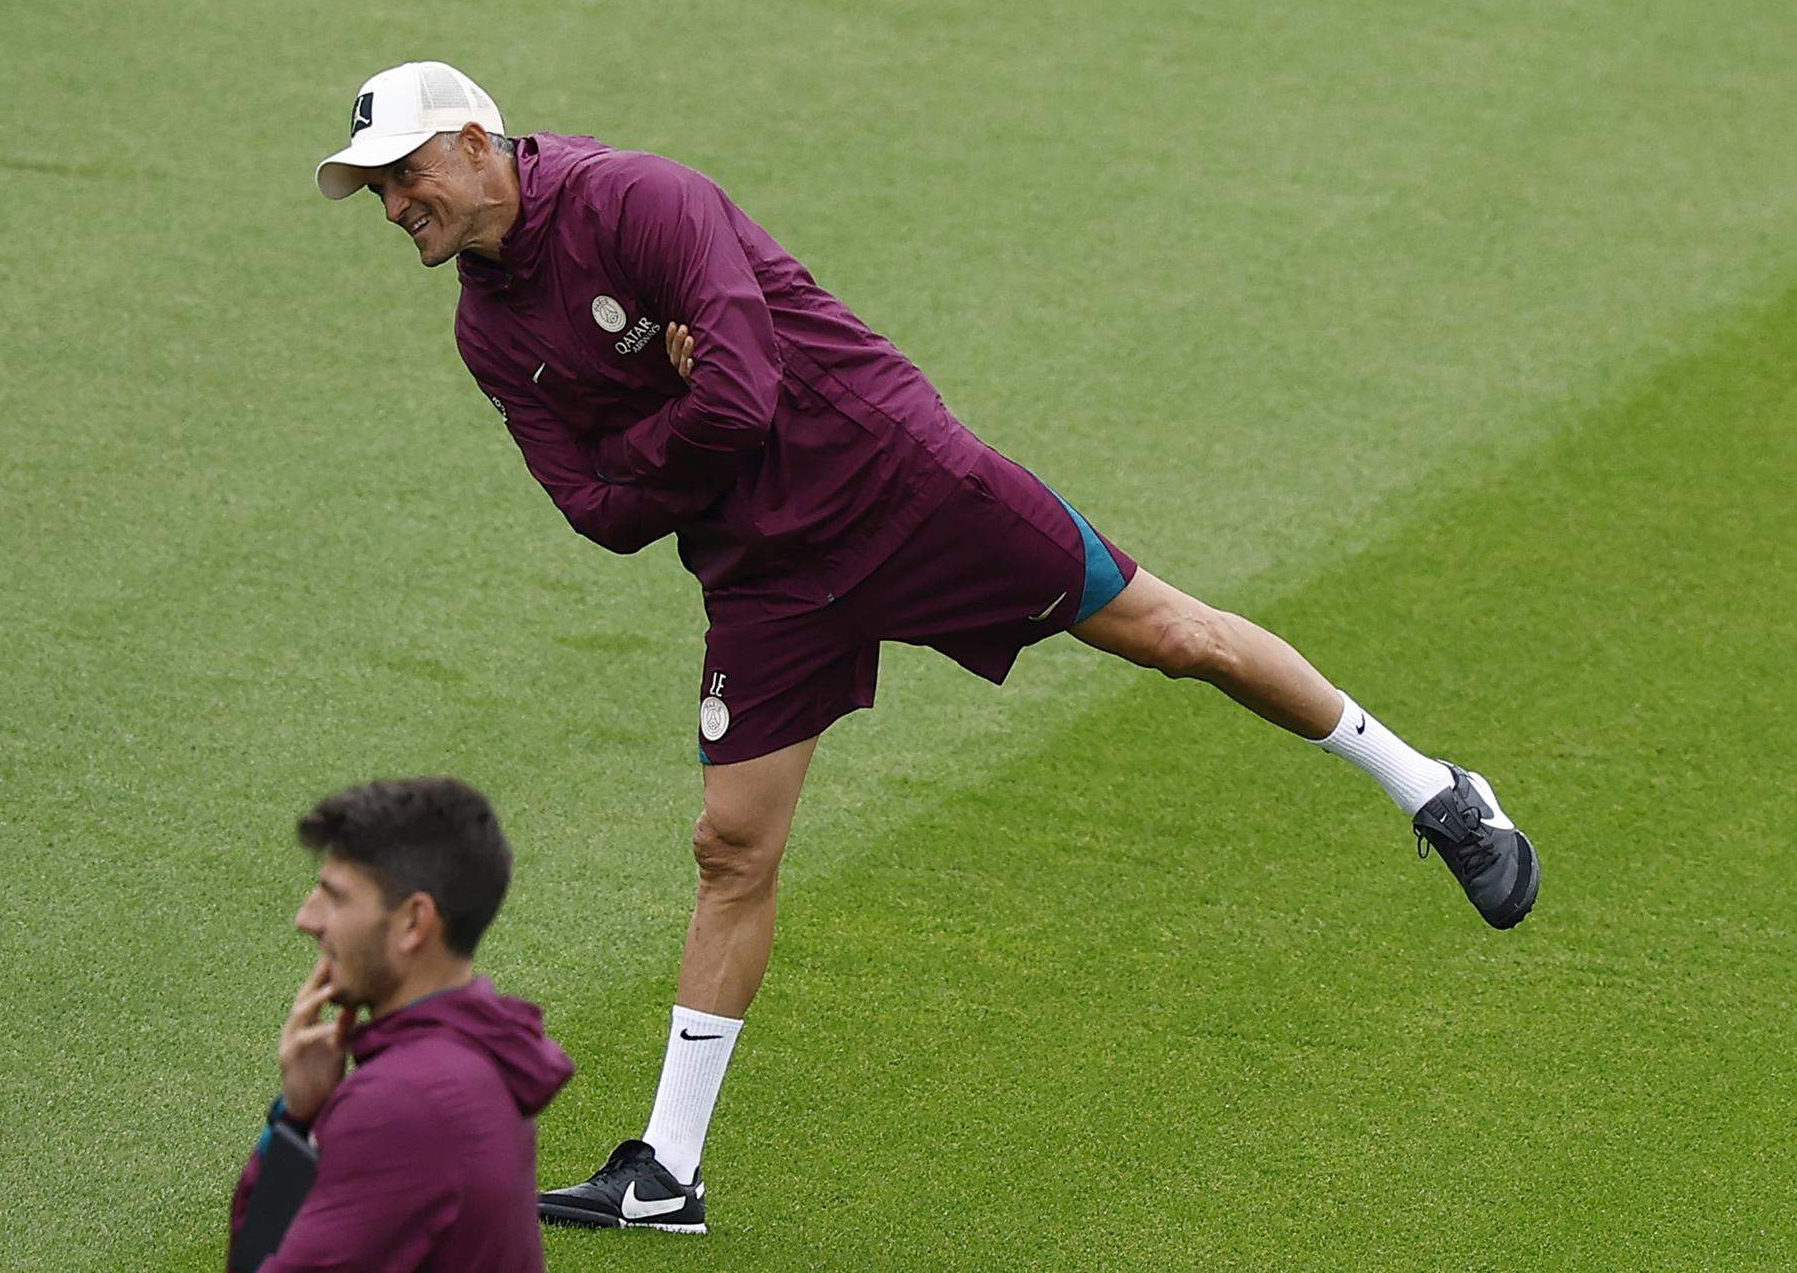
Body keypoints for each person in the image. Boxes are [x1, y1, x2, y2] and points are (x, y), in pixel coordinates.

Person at [311, 61, 1540, 1234]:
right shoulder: (487, 329)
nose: (395, 203)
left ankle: (1435, 791)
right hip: (763, 572)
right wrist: (680, 415)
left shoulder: (642, 198)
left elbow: (734, 402)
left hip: (903, 480)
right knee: (731, 844)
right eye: (377, 188)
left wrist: (665, 429)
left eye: (405, 170)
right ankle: (666, 1171)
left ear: (478, 144)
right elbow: (602, 513)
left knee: (1176, 636)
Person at [227, 777, 575, 1269]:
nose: (307, 918)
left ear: (413, 923)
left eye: (336, 896)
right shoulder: (480, 1053)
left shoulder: (404, 1102)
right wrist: (296, 1120)